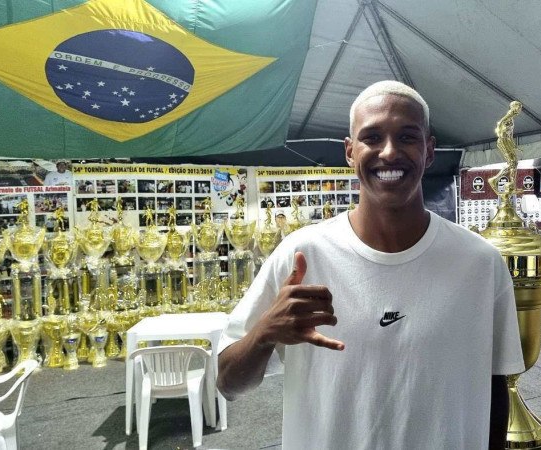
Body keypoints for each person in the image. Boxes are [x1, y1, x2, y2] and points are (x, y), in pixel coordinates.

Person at [217, 80, 524, 449]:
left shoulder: (479, 263)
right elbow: (227, 383)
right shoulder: (303, 254)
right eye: (372, 137)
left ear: (429, 151)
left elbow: (494, 387)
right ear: (350, 151)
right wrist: (263, 333)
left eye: (407, 137)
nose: (389, 152)